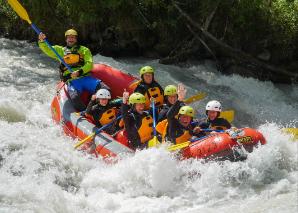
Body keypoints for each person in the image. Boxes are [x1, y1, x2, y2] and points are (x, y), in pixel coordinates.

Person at [38, 29, 106, 111]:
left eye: (73, 37)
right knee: (75, 98)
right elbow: (47, 49)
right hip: (72, 81)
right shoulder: (60, 50)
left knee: (105, 89)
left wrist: (79, 72)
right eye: (69, 37)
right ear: (66, 39)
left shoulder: (84, 50)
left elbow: (90, 64)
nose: (71, 39)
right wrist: (41, 41)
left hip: (85, 78)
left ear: (76, 39)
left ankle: (98, 107)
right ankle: (87, 113)